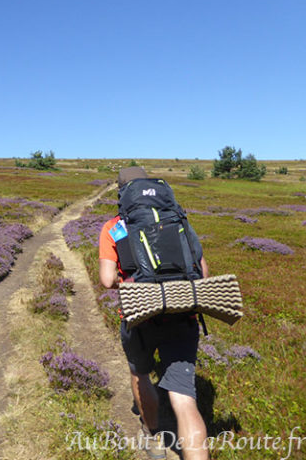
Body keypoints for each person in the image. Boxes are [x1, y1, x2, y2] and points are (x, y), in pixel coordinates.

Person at [99, 167, 210, 460]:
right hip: (184, 315)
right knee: (185, 399)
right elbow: (203, 271)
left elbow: (107, 280)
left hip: (140, 315)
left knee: (141, 374)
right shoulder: (177, 219)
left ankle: (154, 438)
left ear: (120, 192)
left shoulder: (115, 226)